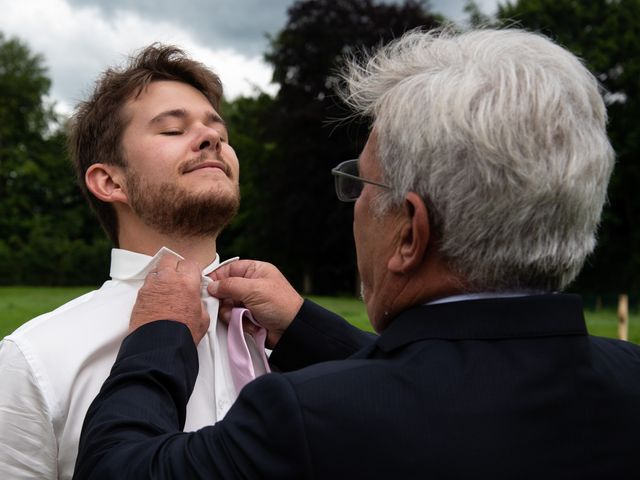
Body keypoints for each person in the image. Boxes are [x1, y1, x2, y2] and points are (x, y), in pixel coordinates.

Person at [74, 28, 640, 479]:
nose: (212, 139)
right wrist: (302, 326)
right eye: (172, 129)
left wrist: (159, 336)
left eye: (360, 186)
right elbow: (451, 377)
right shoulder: (627, 376)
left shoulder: (307, 417)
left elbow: (117, 467)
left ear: (410, 234)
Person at [0, 45, 270, 480]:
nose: (212, 138)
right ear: (110, 181)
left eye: (217, 129)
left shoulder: (285, 336)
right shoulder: (34, 361)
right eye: (172, 130)